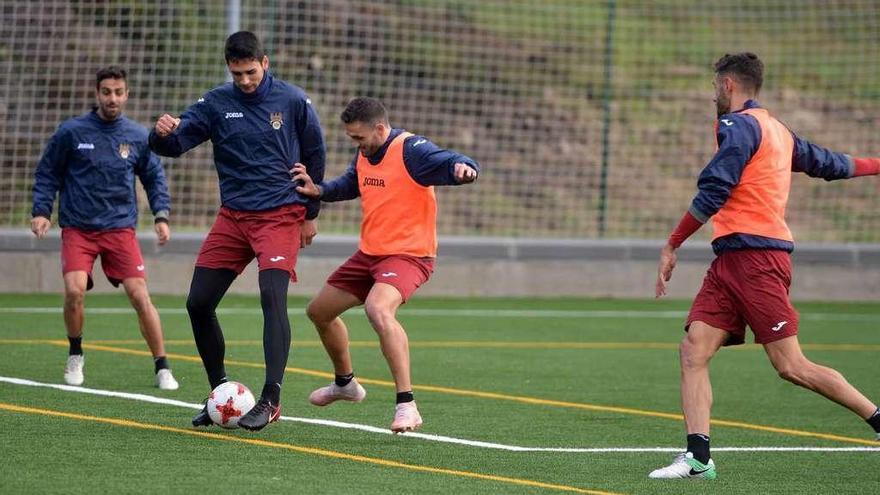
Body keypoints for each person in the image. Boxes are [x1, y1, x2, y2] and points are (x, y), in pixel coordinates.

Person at [650, 52, 880, 480]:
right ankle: (699, 459)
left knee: (791, 366)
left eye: (715, 85)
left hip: (757, 261)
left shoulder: (738, 127)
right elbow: (832, 164)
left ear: (728, 86)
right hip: (731, 262)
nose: (714, 93)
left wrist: (673, 243)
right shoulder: (778, 130)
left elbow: (714, 188)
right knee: (694, 350)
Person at [149, 31, 325, 431]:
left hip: (281, 214)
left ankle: (271, 398)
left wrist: (311, 212)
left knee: (271, 296)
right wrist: (160, 134)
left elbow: (316, 155)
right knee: (198, 304)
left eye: (250, 72)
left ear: (265, 62)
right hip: (233, 218)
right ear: (228, 68)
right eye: (237, 74)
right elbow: (175, 145)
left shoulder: (293, 101)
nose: (245, 80)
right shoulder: (215, 103)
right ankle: (220, 394)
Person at [291, 97, 479, 433]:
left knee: (378, 309)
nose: (356, 144)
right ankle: (345, 383)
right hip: (370, 255)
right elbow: (351, 183)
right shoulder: (366, 152)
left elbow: (449, 160)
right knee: (319, 311)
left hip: (410, 255)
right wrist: (318, 190)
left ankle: (407, 404)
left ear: (380, 128)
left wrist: (463, 168)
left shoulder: (412, 150)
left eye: (359, 138)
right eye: (352, 138)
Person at [31, 66, 179, 391]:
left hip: (119, 229)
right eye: (106, 92)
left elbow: (153, 177)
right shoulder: (72, 132)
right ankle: (75, 354)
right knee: (74, 290)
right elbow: (47, 173)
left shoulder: (138, 136)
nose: (112, 98)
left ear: (126, 94)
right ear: (97, 94)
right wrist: (42, 211)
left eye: (118, 92)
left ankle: (162, 366)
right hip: (79, 229)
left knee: (140, 296)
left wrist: (161, 216)